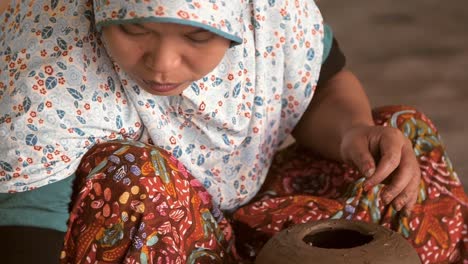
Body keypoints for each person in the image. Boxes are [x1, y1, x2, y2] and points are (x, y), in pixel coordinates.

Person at [1, 1, 467, 263]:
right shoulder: (53, 51)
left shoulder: (272, 16)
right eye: (135, 28)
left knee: (402, 131)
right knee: (131, 172)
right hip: (151, 236)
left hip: (249, 205)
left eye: (198, 37)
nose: (162, 63)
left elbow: (319, 88)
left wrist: (353, 131)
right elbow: (29, 215)